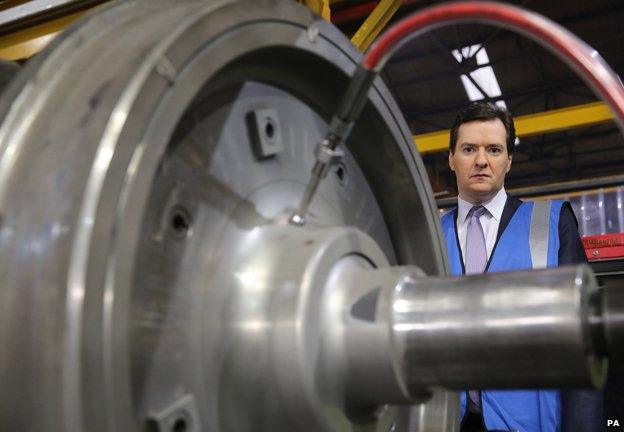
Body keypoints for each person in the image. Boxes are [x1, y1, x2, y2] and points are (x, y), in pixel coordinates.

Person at [439, 101, 602, 432]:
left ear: (509, 161)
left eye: (494, 150)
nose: (482, 160)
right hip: (446, 421)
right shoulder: (426, 235)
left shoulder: (552, 223)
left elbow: (587, 340)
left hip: (530, 423)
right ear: (451, 159)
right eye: (469, 148)